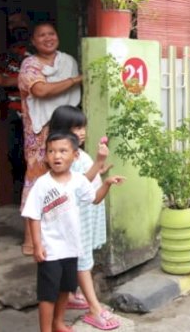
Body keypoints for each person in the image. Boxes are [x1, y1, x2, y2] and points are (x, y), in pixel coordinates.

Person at [22, 133, 124, 332]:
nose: (56, 156)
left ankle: (58, 322)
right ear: (46, 156)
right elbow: (33, 215)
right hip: (50, 249)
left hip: (71, 248)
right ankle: (46, 329)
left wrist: (107, 184)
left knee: (65, 288)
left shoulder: (78, 180)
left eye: (62, 151)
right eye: (51, 151)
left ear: (75, 156)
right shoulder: (42, 184)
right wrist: (37, 244)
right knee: (47, 294)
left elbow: (94, 199)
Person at [48, 106, 121, 330]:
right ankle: (95, 309)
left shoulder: (77, 152)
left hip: (86, 216)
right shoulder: (65, 156)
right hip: (76, 220)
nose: (82, 132)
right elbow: (78, 185)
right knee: (82, 263)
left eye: (83, 127)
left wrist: (99, 169)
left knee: (81, 260)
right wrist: (98, 162)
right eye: (76, 127)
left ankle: (72, 295)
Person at [18, 22, 84, 255]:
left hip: (63, 129)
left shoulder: (67, 61)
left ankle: (57, 235)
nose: (48, 38)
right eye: (41, 35)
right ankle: (30, 242)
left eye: (51, 34)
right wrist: (76, 80)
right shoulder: (29, 65)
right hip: (40, 134)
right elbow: (41, 91)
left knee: (62, 181)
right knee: (37, 184)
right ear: (33, 41)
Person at [0, 10, 32, 199]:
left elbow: (34, 78)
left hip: (31, 113)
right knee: (15, 155)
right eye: (12, 24)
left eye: (19, 22)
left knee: (30, 156)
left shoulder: (34, 51)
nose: (15, 27)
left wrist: (6, 81)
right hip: (11, 112)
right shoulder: (8, 54)